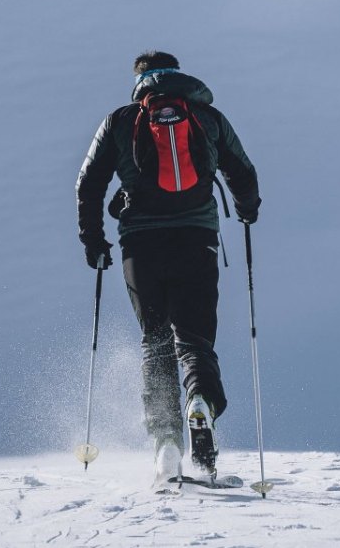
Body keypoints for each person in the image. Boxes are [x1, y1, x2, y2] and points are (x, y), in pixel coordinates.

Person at [76, 51, 260, 483]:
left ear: (139, 80)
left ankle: (166, 443)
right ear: (180, 75)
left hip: (140, 247)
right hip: (196, 241)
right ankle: (201, 402)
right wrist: (248, 211)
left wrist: (93, 239)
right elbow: (243, 171)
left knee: (155, 340)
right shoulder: (206, 117)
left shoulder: (121, 120)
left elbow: (88, 181)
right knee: (195, 341)